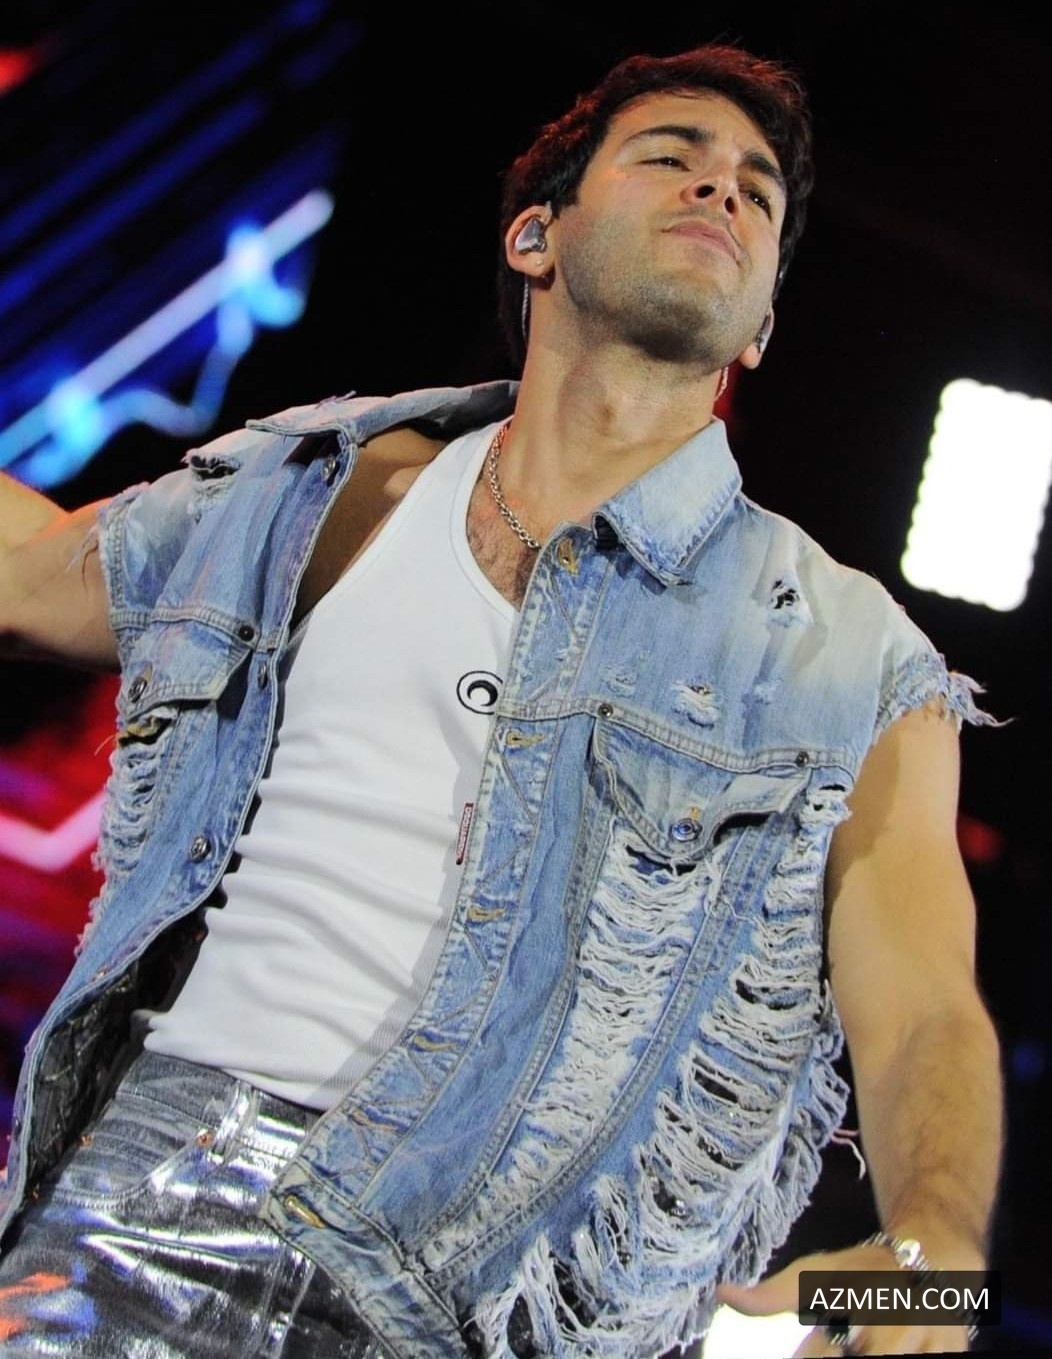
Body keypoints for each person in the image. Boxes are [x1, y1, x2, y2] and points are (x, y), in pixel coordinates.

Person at [0, 40, 1002, 1359]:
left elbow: (925, 1002)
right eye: (672, 157)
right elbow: (30, 573)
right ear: (537, 236)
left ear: (761, 323)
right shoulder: (329, 490)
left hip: (493, 1305)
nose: (723, 188)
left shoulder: (849, 659)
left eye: (757, 191)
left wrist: (930, 1269)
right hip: (147, 1221)